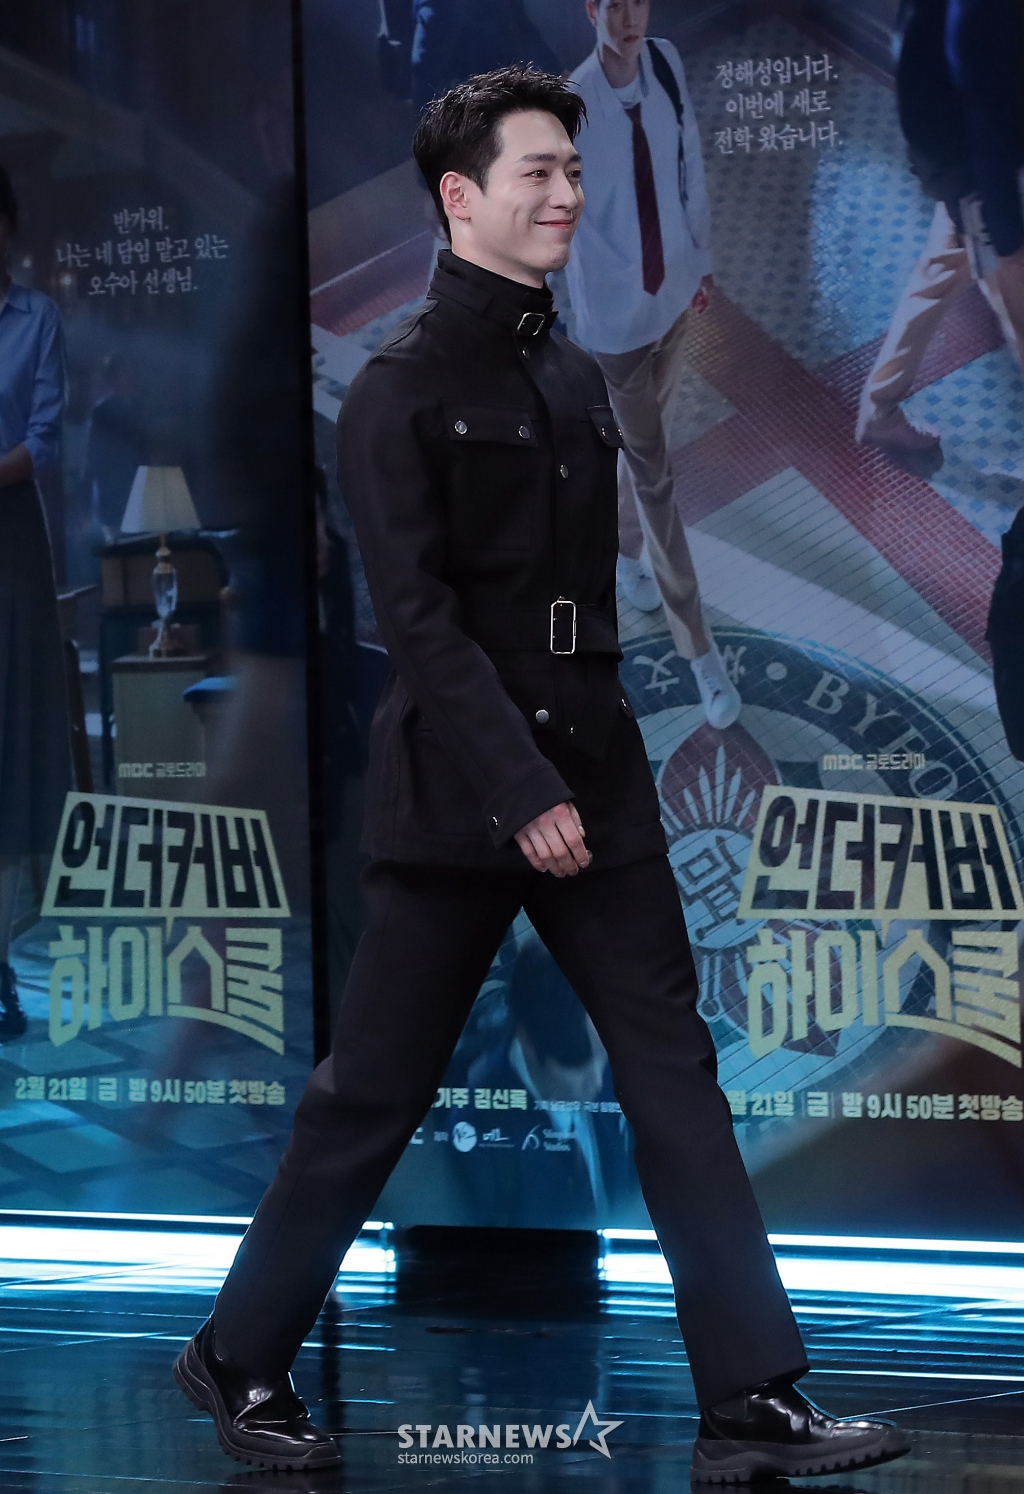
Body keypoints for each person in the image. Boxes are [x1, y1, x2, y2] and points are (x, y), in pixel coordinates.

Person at [173, 68, 910, 1482]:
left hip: (598, 774)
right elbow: (419, 623)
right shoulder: (396, 388)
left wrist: (592, 767)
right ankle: (238, 1354)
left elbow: (587, 601)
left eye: (574, 170)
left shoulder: (570, 370)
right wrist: (524, 790)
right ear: (460, 197)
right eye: (539, 172)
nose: (569, 193)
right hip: (468, 793)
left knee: (676, 1072)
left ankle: (751, 1396)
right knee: (371, 1092)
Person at [564, 0, 741, 730]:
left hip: (672, 301)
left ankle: (623, 550)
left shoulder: (664, 62)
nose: (630, 16)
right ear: (591, 10)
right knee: (656, 477)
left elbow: (686, 161)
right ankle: (700, 651)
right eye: (615, 4)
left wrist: (699, 259)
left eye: (639, 0)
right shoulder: (569, 107)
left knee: (643, 452)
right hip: (615, 326)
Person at [856, 0, 1023, 471]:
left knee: (938, 273)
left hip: (966, 179)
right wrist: (1006, 238)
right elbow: (981, 112)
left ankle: (879, 409)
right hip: (986, 190)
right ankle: (878, 409)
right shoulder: (975, 13)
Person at [0, 163, 72, 1042]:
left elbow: (43, 440)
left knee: (13, 757)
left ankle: (2, 970)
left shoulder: (37, 317)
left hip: (12, 540)